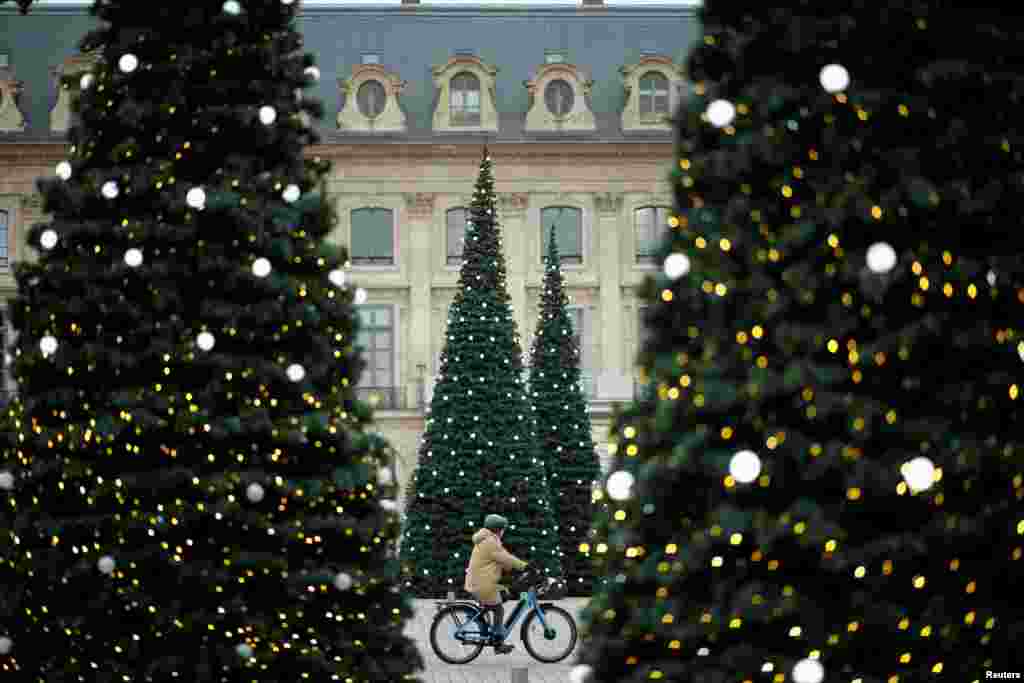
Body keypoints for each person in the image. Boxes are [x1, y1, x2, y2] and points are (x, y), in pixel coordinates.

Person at [464, 513, 529, 654]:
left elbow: (501, 559)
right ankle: (498, 642)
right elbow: (506, 558)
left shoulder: (487, 539)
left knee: (504, 593)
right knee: (499, 608)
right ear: (497, 529)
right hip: (482, 584)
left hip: (480, 582)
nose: (503, 532)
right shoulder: (490, 542)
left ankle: (491, 627)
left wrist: (512, 565)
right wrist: (525, 566)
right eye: (503, 529)